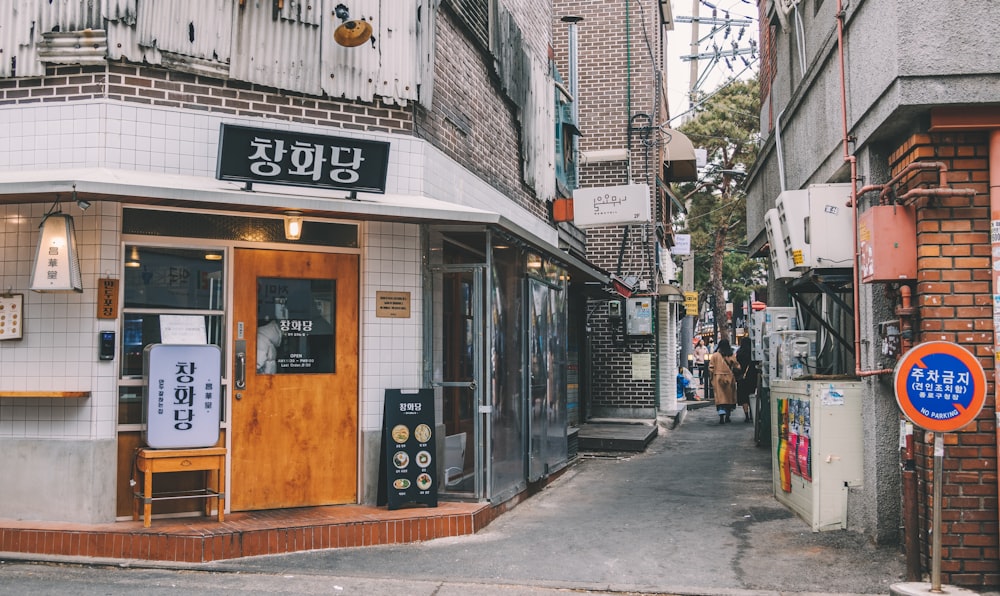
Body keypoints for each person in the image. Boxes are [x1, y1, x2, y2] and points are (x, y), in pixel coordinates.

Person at [708, 338, 740, 424]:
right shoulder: (731, 355)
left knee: (720, 398)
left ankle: (721, 415)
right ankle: (728, 416)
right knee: (728, 398)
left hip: (718, 377)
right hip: (729, 377)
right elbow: (737, 366)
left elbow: (711, 368)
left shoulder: (715, 356)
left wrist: (711, 378)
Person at [736, 336, 759, 423]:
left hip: (742, 377)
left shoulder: (739, 353)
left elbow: (736, 364)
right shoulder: (753, 353)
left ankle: (746, 416)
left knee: (744, 397)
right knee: (751, 395)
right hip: (752, 377)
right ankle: (752, 413)